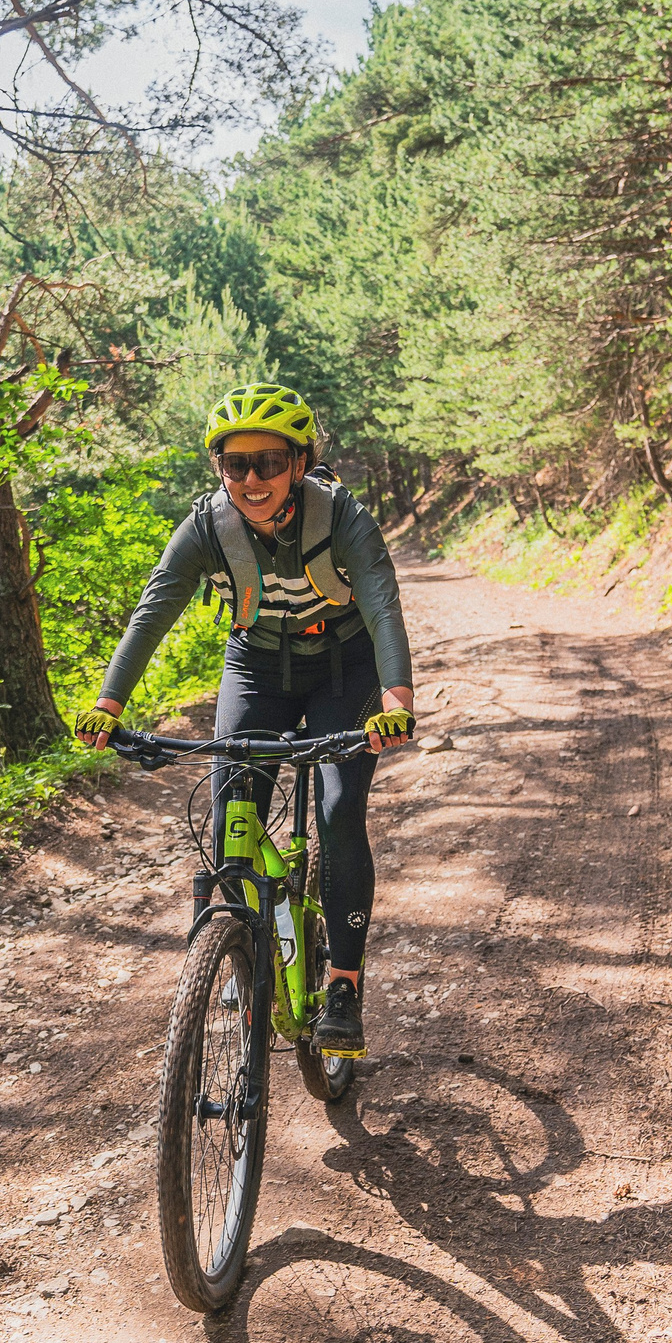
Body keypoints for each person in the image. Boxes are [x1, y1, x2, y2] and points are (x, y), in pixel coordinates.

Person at [74, 382, 414, 1057]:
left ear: (298, 461)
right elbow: (155, 610)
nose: (252, 478)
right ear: (219, 469)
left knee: (339, 810)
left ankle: (342, 982)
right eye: (236, 464)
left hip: (345, 668)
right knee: (234, 812)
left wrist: (398, 699)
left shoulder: (341, 515)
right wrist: (108, 705)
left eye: (267, 461)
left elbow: (381, 604)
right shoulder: (207, 526)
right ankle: (240, 950)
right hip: (257, 666)